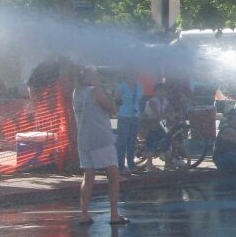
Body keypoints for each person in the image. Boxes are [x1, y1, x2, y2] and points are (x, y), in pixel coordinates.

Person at [72, 66, 127, 225]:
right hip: (100, 138)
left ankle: (84, 214)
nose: (99, 77)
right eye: (96, 74)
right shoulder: (95, 91)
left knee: (88, 177)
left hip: (84, 139)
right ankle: (115, 215)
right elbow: (112, 109)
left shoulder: (77, 93)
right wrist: (112, 97)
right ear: (88, 77)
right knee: (113, 176)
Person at [114, 69, 144, 174]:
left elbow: (139, 100)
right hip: (124, 115)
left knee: (132, 141)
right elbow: (116, 100)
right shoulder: (122, 86)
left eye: (135, 73)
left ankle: (131, 164)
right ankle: (120, 165)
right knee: (122, 141)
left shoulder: (139, 86)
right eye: (131, 73)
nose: (133, 76)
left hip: (135, 115)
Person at [138, 82, 170, 171]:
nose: (162, 93)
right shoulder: (152, 101)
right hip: (149, 124)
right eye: (159, 91)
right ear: (155, 92)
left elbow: (167, 112)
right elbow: (158, 114)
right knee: (152, 141)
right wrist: (166, 116)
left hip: (159, 124)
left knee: (168, 136)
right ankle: (149, 164)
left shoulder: (166, 101)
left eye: (163, 91)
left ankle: (166, 159)